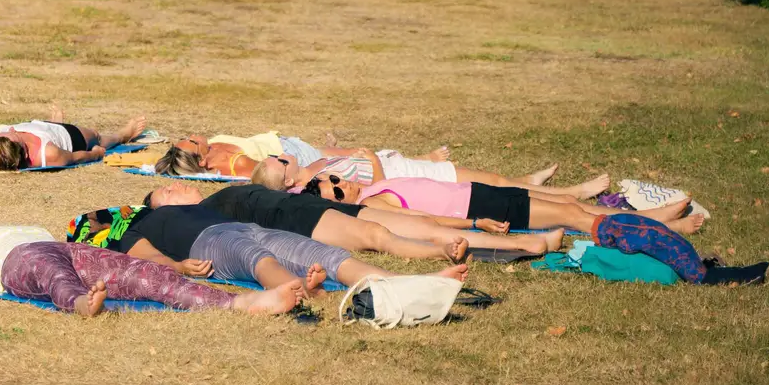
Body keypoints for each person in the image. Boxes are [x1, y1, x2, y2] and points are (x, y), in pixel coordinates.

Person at [68, 200, 470, 298]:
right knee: (256, 261)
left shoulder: (165, 208)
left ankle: (411, 282)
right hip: (210, 245)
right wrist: (180, 266)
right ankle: (296, 291)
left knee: (326, 255)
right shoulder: (127, 234)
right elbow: (149, 258)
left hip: (245, 225)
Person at [0, 222, 302, 317]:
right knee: (54, 277)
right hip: (18, 261)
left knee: (145, 275)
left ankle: (240, 304)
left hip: (67, 249)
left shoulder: (14, 227)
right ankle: (82, 305)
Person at [140, 181, 564, 261]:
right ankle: (521, 246)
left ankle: (533, 239)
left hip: (309, 207)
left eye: (170, 187)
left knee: (414, 221)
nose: (173, 190)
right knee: (377, 236)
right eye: (166, 194)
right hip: (295, 222)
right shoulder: (200, 215)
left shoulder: (219, 191)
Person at [160, 133, 607, 197]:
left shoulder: (310, 168)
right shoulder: (310, 178)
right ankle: (563, 194)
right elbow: (370, 188)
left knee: (490, 180)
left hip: (398, 165)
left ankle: (533, 184)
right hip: (402, 176)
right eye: (279, 159)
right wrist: (371, 158)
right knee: (488, 183)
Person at [317, 173, 706, 236]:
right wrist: (475, 225)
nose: (339, 185)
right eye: (333, 192)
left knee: (570, 203)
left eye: (334, 179)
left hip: (479, 192)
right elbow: (422, 218)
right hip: (479, 208)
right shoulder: (375, 204)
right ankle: (665, 228)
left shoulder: (371, 184)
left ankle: (652, 216)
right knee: (573, 218)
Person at [0, 108, 147, 170]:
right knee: (96, 136)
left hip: (37, 126)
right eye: (12, 133)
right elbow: (77, 157)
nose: (12, 128)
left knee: (45, 128)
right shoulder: (49, 154)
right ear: (22, 148)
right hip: (66, 136)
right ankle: (123, 135)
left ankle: (53, 123)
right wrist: (96, 154)